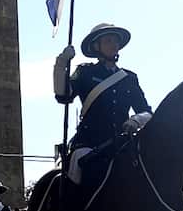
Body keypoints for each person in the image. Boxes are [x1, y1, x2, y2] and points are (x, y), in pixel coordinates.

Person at [53, 23, 152, 191]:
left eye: (116, 41)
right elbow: (64, 95)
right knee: (81, 177)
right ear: (96, 46)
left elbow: (147, 111)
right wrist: (61, 63)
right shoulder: (85, 72)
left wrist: (136, 120)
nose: (114, 44)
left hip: (121, 143)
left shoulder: (129, 78)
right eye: (108, 40)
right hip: (89, 143)